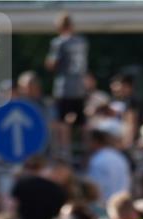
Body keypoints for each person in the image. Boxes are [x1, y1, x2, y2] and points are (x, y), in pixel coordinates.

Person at [45, 12, 88, 153]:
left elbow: (52, 64)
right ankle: (86, 151)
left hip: (64, 88)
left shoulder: (59, 42)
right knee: (82, 123)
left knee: (62, 123)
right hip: (80, 87)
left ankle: (65, 153)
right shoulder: (81, 41)